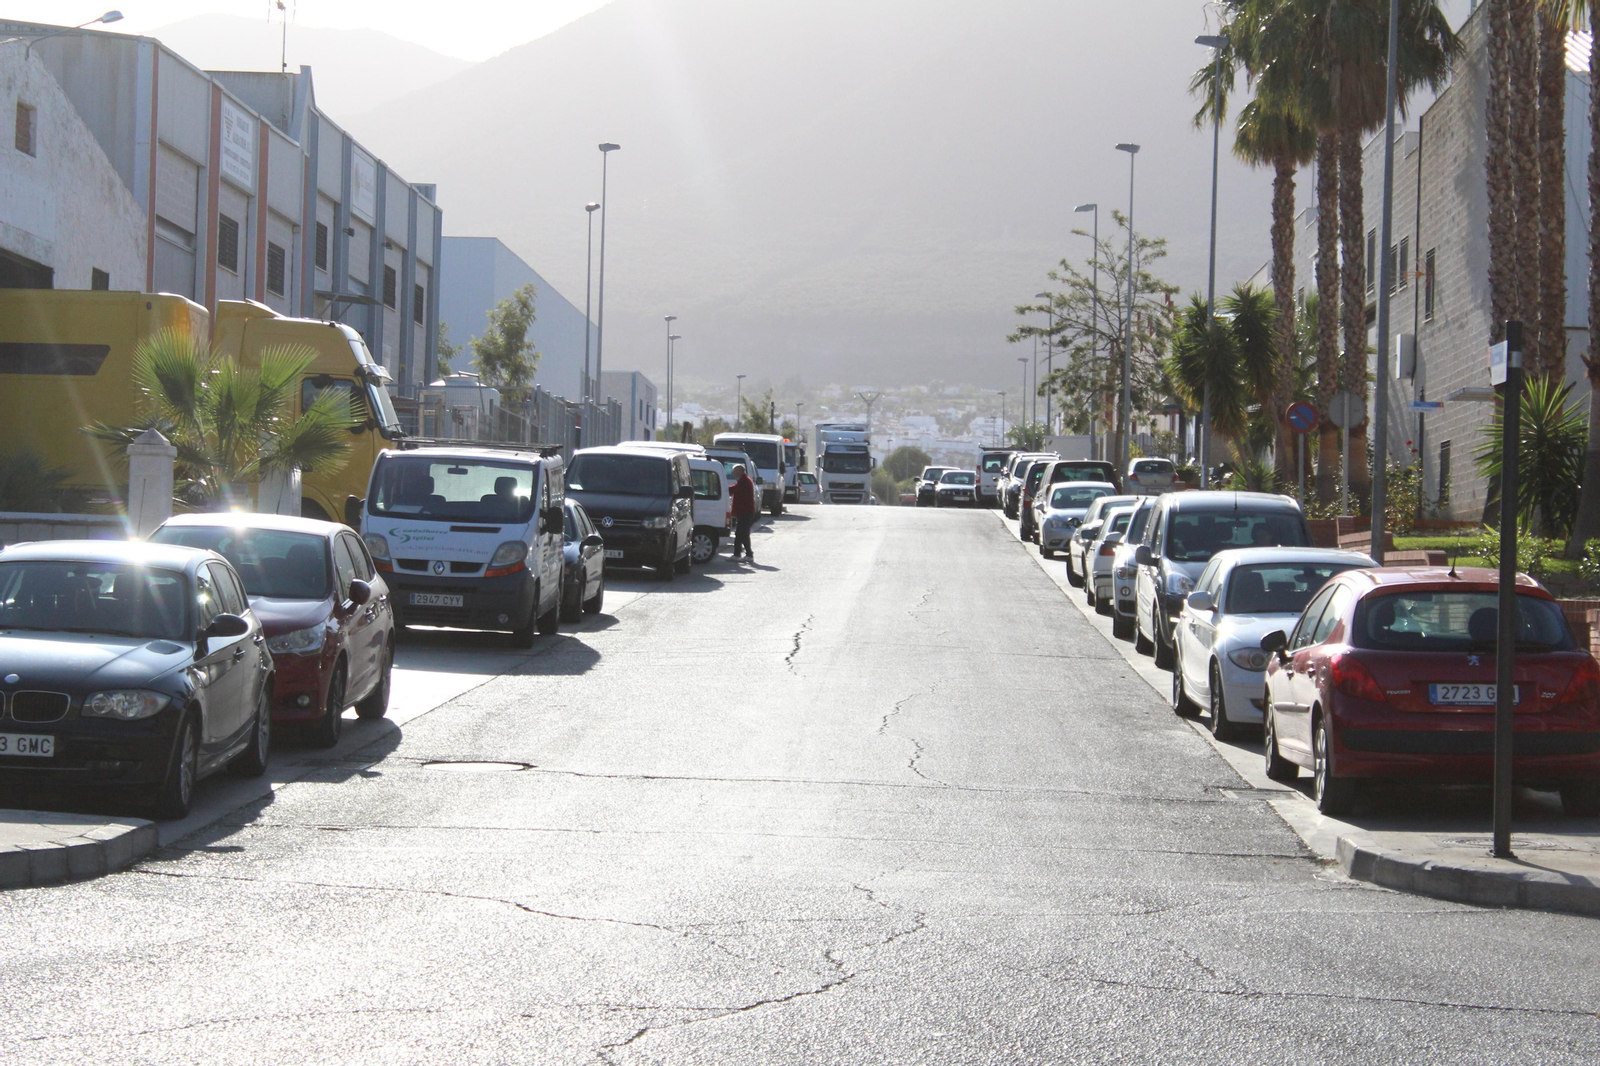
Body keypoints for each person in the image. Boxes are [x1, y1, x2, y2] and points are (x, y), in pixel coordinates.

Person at [729, 463, 758, 563]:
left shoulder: (745, 481)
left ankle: (744, 554)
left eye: (735, 471)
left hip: (746, 512)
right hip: (744, 512)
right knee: (742, 534)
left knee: (742, 534)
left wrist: (724, 489)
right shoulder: (743, 480)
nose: (734, 473)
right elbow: (735, 488)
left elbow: (735, 489)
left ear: (740, 471)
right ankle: (741, 554)